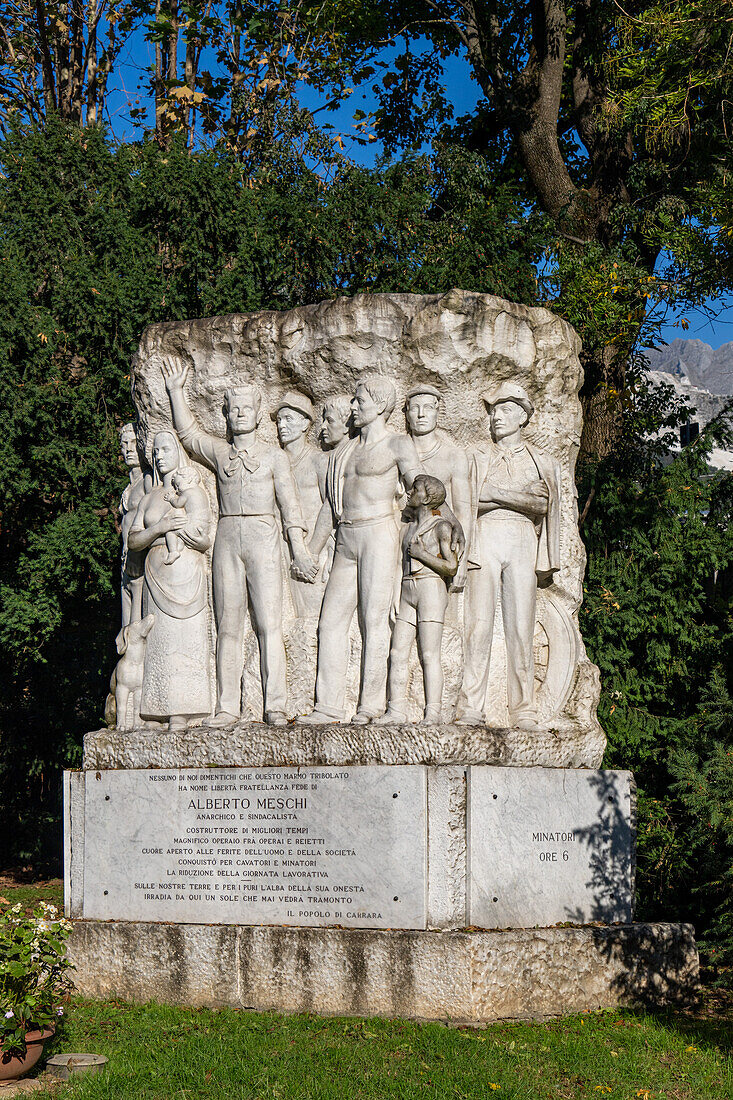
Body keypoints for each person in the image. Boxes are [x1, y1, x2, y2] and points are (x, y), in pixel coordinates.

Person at [161, 359, 317, 728]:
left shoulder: (274, 456)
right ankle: (227, 705)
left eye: (248, 408)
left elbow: (290, 506)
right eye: (234, 410)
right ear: (227, 415)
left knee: (269, 624)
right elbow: (189, 436)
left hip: (264, 536)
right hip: (228, 536)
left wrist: (298, 549)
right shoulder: (220, 452)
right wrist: (175, 392)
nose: (241, 414)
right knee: (228, 626)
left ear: (259, 414)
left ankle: (274, 704)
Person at [301, 374, 423, 724]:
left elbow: (422, 488)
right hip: (347, 537)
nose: (353, 406)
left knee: (374, 619)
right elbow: (330, 505)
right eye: (354, 401)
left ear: (380, 405)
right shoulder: (346, 450)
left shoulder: (397, 444)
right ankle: (327, 705)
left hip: (379, 533)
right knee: (331, 622)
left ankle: (370, 704)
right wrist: (312, 548)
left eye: (360, 400)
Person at [457, 382, 560, 729]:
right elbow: (471, 499)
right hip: (484, 536)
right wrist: (516, 496)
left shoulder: (540, 460)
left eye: (503, 409)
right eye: (492, 410)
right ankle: (470, 706)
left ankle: (524, 708)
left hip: (521, 539)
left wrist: (496, 493)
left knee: (521, 626)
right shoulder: (476, 455)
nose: (495, 417)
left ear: (522, 416)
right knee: (478, 625)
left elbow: (542, 504)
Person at [127, 431, 213, 732]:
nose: (160, 455)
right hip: (156, 571)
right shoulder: (149, 498)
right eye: (156, 450)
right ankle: (156, 710)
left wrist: (182, 531)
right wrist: (160, 528)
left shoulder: (194, 491)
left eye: (166, 449)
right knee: (159, 642)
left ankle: (187, 710)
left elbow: (204, 536)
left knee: (185, 641)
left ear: (178, 452)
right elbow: (134, 539)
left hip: (186, 572)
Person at [375, 475, 457, 724]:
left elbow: (451, 567)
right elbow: (401, 564)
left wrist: (422, 554)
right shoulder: (408, 528)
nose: (410, 492)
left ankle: (433, 712)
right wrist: (395, 594)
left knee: (429, 654)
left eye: (416, 489)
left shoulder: (441, 526)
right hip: (408, 589)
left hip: (431, 588)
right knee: (397, 650)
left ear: (428, 497)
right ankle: (396, 710)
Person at [403, 385, 473, 591]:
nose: (421, 414)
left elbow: (463, 512)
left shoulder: (454, 456)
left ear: (437, 411)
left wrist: (462, 563)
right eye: (415, 408)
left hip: (438, 541)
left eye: (427, 407)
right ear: (407, 414)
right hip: (401, 534)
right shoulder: (396, 447)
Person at [274, 391, 328, 619]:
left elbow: (332, 506)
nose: (282, 426)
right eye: (279, 420)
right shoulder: (273, 460)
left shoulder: (318, 460)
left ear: (306, 423)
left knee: (313, 615)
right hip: (280, 548)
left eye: (289, 419)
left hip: (314, 549)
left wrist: (312, 552)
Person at [119, 422, 147, 627]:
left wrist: (136, 555)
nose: (129, 449)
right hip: (126, 561)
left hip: (140, 562)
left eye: (134, 443)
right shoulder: (129, 487)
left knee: (135, 628)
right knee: (125, 627)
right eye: (124, 444)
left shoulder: (148, 481)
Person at [162, 466, 204, 564]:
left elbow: (178, 504)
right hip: (202, 526)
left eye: (178, 485)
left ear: (189, 479)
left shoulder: (188, 492)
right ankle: (179, 545)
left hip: (192, 525)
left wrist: (171, 498)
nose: (177, 490)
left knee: (171, 532)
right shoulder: (201, 491)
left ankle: (173, 551)